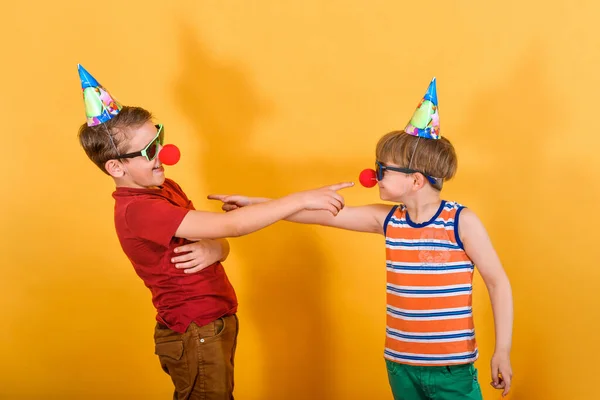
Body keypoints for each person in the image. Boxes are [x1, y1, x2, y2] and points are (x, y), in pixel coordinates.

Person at [210, 78, 514, 399]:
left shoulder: (461, 222)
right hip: (400, 365)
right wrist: (256, 205)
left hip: (451, 368)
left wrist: (502, 350)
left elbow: (497, 282)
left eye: (383, 169)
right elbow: (318, 213)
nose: (373, 175)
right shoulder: (388, 219)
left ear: (415, 180)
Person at [76, 64, 352, 399]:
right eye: (150, 151)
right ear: (117, 167)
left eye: (159, 139)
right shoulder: (138, 210)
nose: (163, 154)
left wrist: (217, 249)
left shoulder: (163, 188)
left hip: (211, 321)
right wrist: (299, 199)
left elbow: (216, 240)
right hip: (193, 330)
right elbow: (230, 226)